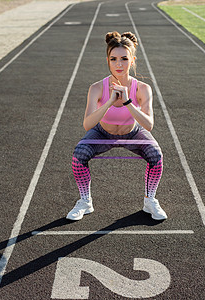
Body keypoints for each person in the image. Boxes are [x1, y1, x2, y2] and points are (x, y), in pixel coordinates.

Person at [67, 31, 167, 221]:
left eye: (124, 58)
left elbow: (149, 124)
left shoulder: (143, 89)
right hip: (102, 133)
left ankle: (150, 200)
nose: (119, 64)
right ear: (108, 60)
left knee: (156, 156)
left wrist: (128, 101)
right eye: (113, 59)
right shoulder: (96, 88)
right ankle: (85, 201)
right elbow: (87, 124)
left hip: (132, 132)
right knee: (78, 155)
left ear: (132, 60)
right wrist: (109, 102)